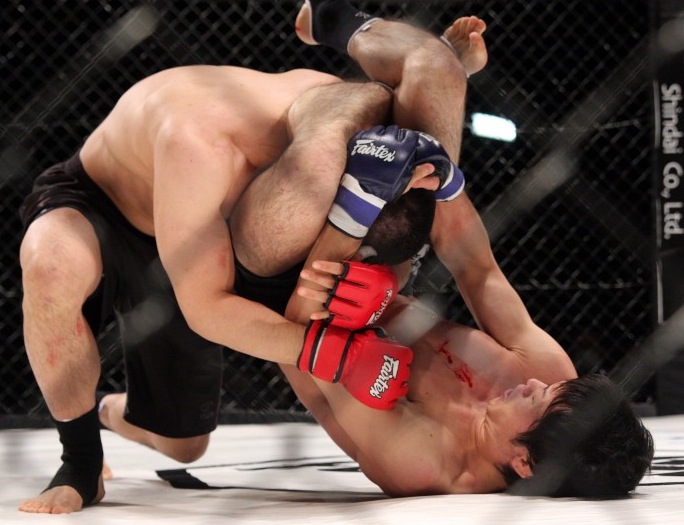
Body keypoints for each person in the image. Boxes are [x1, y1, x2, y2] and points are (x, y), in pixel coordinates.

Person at [278, 0, 654, 498]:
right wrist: (446, 182)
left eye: (537, 401)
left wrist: (362, 200)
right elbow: (479, 273)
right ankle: (346, 26)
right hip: (381, 268)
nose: (535, 384)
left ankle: (416, 94)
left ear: (524, 462)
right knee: (437, 69)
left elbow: (305, 339)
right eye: (548, 389)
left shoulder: (424, 464)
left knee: (332, 131)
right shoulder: (551, 380)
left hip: (292, 294)